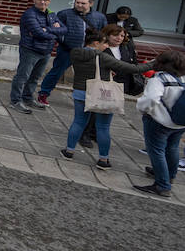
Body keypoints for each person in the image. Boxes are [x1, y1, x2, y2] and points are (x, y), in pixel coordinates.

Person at [61, 26, 154, 169]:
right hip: (101, 95)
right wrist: (154, 64)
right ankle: (103, 160)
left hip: (80, 92)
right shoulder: (103, 57)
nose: (107, 46)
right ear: (96, 43)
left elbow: (90, 69)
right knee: (103, 127)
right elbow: (133, 69)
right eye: (104, 43)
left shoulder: (75, 52)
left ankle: (69, 151)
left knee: (79, 122)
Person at [37, 0, 107, 105]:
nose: (79, 5)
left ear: (91, 3)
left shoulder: (99, 17)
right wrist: (64, 42)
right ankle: (43, 94)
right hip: (68, 50)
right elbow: (56, 30)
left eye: (83, 3)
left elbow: (103, 33)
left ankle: (86, 99)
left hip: (89, 52)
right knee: (56, 72)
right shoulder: (64, 14)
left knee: (90, 76)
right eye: (77, 2)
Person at [133, 48, 185, 196]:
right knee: (172, 148)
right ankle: (170, 176)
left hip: (160, 121)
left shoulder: (159, 78)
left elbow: (151, 99)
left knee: (157, 151)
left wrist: (141, 108)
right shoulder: (183, 78)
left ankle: (162, 184)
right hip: (180, 122)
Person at [10, 0, 64, 113]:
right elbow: (38, 33)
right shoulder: (29, 15)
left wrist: (48, 30)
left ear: (49, 2)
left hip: (46, 51)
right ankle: (15, 101)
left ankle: (28, 98)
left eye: (45, 0)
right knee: (22, 76)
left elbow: (64, 29)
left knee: (35, 77)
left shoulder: (51, 15)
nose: (42, 2)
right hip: (30, 50)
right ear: (34, 1)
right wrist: (54, 32)